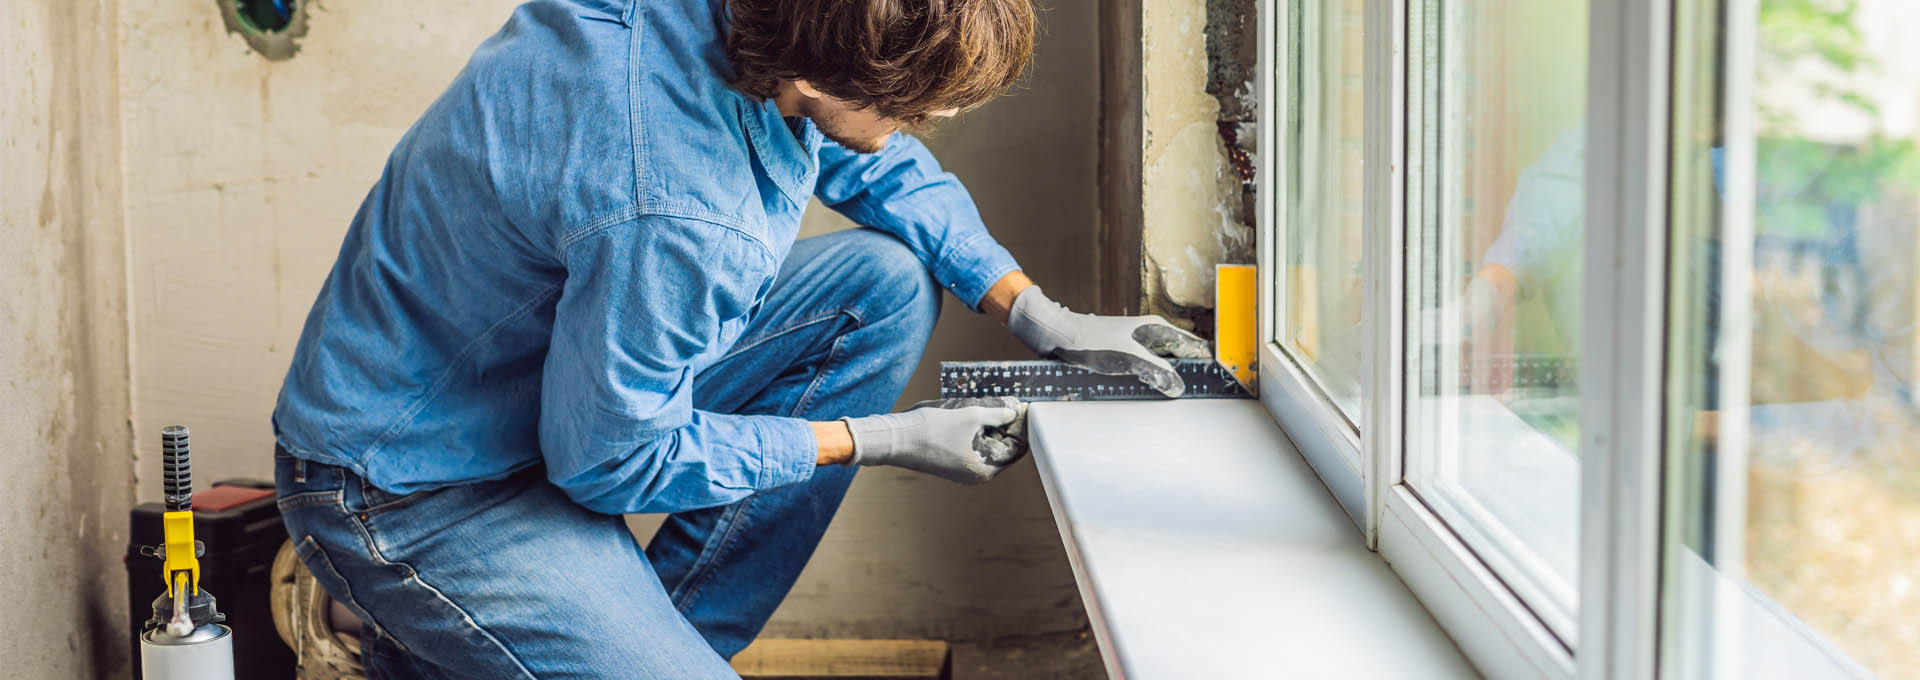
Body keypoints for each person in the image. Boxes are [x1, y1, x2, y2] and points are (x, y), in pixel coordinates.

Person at [269, 0, 1207, 677]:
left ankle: (633, 642)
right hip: (415, 485)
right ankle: (394, 617)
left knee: (879, 285)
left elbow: (871, 156)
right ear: (819, 77)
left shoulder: (769, 26)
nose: (934, 121)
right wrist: (879, 440)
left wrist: (1038, 312)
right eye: (910, 107)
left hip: (541, 377)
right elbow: (609, 462)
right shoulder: (682, 209)